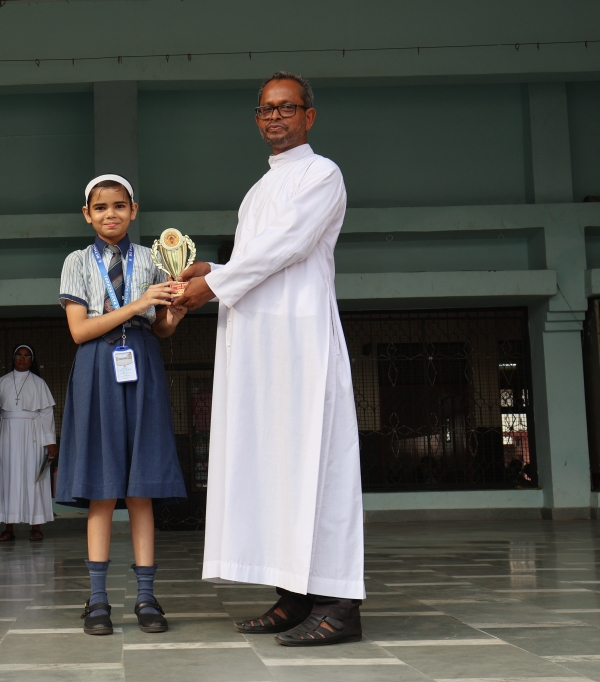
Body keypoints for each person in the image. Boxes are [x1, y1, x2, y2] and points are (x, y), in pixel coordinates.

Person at [178, 72, 365, 647]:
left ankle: (339, 604)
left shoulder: (322, 173)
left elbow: (289, 245)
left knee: (318, 466)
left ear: (309, 115)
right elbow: (256, 258)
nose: (275, 117)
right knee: (275, 468)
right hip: (261, 347)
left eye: (287, 107)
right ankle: (294, 595)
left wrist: (214, 285)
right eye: (266, 109)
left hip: (302, 342)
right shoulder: (257, 190)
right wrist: (214, 270)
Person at [56, 174, 188, 636]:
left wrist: (172, 314)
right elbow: (79, 330)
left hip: (142, 363)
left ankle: (147, 597)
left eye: (118, 205)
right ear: (86, 214)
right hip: (96, 367)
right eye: (100, 207)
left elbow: (160, 327)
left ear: (134, 210)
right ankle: (98, 599)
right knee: (102, 486)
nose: (109, 213)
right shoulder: (76, 261)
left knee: (140, 487)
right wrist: (136, 305)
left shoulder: (154, 259)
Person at [0, 344, 57, 543]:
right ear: (13, 358)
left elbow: (47, 415)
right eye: (19, 355)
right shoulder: (1, 382)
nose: (22, 358)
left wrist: (51, 442)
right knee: (6, 478)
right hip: (7, 436)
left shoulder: (39, 383)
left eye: (27, 356)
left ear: (32, 360)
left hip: (33, 436)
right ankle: (8, 528)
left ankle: (35, 527)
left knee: (33, 478)